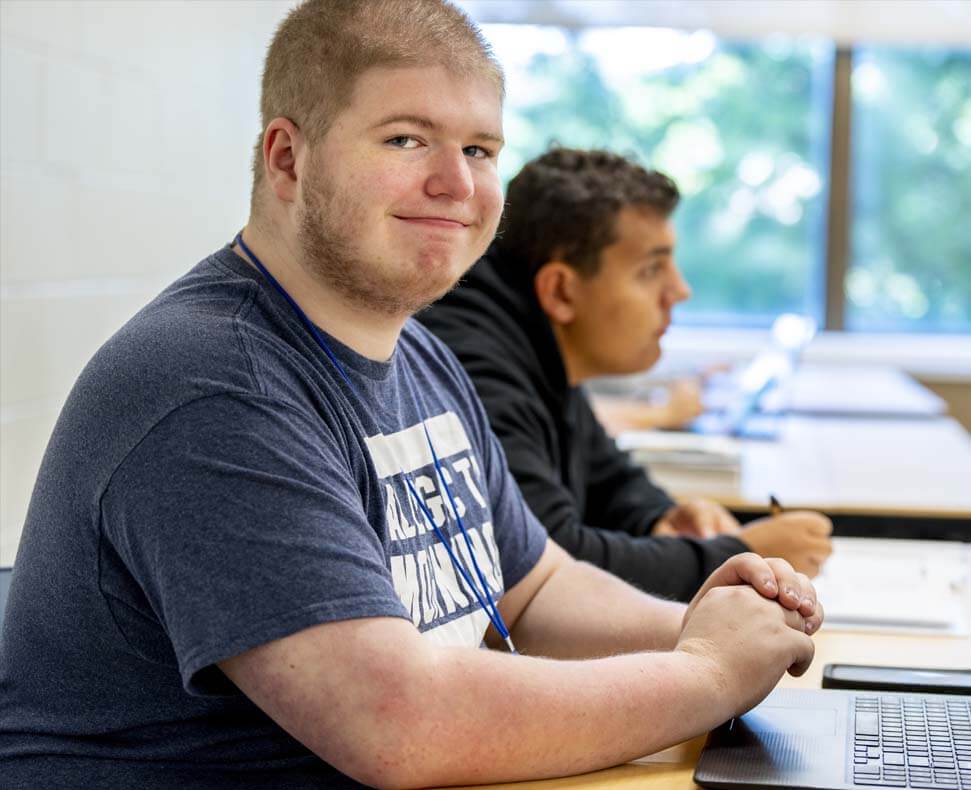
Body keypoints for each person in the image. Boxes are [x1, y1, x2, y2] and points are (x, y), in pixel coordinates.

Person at [0, 2, 823, 788]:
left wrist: (700, 622)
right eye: (405, 138)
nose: (456, 185)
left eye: (480, 150)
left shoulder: (418, 353)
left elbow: (532, 589)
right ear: (287, 157)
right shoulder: (212, 383)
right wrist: (705, 672)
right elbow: (396, 722)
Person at [419, 149, 833, 600]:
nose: (679, 290)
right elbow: (548, 563)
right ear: (560, 291)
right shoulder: (475, 367)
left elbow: (606, 476)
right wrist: (732, 556)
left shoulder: (536, 345)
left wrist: (658, 518)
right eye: (652, 269)